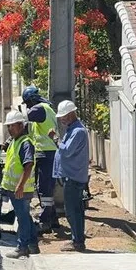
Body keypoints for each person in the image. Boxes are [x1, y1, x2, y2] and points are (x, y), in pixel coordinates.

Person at [53, 100, 90, 252]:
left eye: (64, 116)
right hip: (71, 176)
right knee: (75, 210)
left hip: (73, 178)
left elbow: (67, 151)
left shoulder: (78, 132)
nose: (61, 119)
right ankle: (77, 240)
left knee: (73, 211)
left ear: (71, 114)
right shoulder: (72, 129)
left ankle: (78, 242)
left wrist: (55, 139)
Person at [22, 85, 60, 231]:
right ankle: (53, 218)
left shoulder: (39, 108)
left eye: (27, 103)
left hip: (46, 153)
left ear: (31, 100)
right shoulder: (47, 108)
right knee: (47, 187)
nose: (28, 106)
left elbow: (24, 118)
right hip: (47, 153)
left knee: (44, 188)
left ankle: (44, 221)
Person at [1, 110, 38, 259]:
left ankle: (22, 247)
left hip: (21, 189)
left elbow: (28, 165)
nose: (10, 129)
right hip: (15, 188)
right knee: (25, 217)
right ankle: (33, 244)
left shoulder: (25, 143)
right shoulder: (15, 141)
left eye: (12, 126)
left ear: (21, 125)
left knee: (22, 218)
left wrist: (20, 185)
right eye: (8, 126)